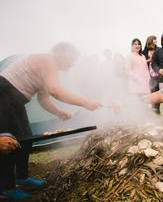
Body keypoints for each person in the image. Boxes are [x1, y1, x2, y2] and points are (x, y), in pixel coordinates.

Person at [0, 42, 101, 199]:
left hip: (15, 101)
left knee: (26, 138)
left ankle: (22, 177)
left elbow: (43, 98)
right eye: (72, 60)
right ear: (64, 55)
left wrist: (60, 113)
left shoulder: (47, 69)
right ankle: (6, 187)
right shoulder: (48, 60)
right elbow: (55, 91)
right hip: (3, 94)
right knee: (8, 142)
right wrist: (86, 103)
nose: (71, 65)